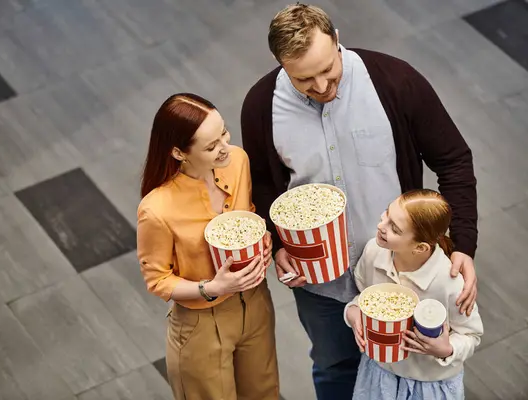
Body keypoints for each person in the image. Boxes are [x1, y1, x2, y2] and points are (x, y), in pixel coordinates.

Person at [240, 3, 478, 399]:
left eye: (327, 71)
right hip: (322, 286)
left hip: (402, 275)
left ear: (336, 42)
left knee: (412, 371)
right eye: (304, 79)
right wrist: (280, 243)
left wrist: (463, 244)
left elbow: (453, 161)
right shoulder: (260, 105)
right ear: (281, 64)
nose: (320, 86)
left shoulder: (396, 82)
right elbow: (264, 185)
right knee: (335, 369)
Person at [137, 93, 280, 400]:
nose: (225, 148)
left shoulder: (238, 161)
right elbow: (157, 280)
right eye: (211, 146)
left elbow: (248, 214)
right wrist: (212, 286)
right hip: (202, 323)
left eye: (224, 133)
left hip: (256, 304)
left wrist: (262, 240)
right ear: (179, 152)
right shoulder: (156, 209)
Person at [345, 189, 484, 399]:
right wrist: (354, 312)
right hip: (380, 373)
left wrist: (446, 349)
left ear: (420, 247)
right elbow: (363, 295)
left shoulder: (450, 282)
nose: (380, 226)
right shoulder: (373, 251)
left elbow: (471, 335)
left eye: (395, 228)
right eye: (386, 214)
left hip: (429, 384)